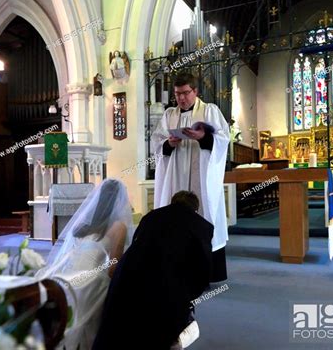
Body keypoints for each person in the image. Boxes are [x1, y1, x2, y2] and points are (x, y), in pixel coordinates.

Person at [93, 191, 213, 350]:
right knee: (158, 334)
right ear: (195, 209)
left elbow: (137, 243)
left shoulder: (151, 216)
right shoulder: (202, 226)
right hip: (167, 285)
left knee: (121, 328)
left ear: (172, 202)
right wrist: (188, 295)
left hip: (129, 275)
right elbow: (202, 269)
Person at [36, 178, 134, 350]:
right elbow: (112, 268)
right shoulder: (119, 227)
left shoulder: (85, 225)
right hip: (91, 280)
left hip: (67, 275)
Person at [151, 72, 229, 282]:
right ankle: (177, 272)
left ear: (195, 91)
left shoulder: (210, 111)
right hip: (176, 174)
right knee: (174, 216)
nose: (181, 98)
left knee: (204, 213)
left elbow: (223, 138)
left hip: (200, 174)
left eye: (185, 93)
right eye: (177, 94)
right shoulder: (169, 115)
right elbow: (156, 143)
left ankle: (205, 274)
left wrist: (204, 138)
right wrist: (168, 144)